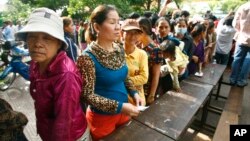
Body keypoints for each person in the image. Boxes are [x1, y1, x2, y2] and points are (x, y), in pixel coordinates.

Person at [16, 8, 90, 141]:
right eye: (32, 36)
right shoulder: (36, 62)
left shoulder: (66, 75)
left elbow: (63, 123)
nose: (38, 44)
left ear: (59, 44)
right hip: (48, 132)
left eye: (47, 38)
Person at [76, 5, 142, 140]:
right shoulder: (87, 57)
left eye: (118, 22)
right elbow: (87, 95)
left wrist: (134, 93)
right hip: (102, 120)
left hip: (124, 112)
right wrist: (119, 106)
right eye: (112, 23)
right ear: (97, 27)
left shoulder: (118, 49)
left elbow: (124, 77)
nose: (118, 27)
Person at [121, 19, 148, 106]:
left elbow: (144, 78)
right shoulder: (115, 53)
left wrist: (121, 81)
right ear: (122, 33)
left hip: (137, 101)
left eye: (136, 33)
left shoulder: (142, 54)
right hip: (120, 101)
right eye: (129, 32)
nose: (133, 36)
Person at [230, 2, 250, 87]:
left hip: (241, 37)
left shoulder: (243, 7)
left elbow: (235, 23)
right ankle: (241, 81)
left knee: (237, 58)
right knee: (248, 60)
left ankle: (233, 79)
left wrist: (241, 31)